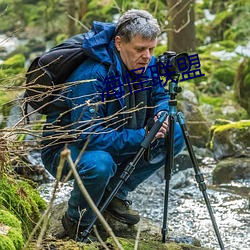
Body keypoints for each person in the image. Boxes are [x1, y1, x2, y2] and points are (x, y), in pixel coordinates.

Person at [41, 9, 185, 241]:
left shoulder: (147, 63)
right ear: (119, 43)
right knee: (100, 164)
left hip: (117, 135)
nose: (147, 56)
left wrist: (162, 113)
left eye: (152, 49)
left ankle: (115, 193)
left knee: (175, 132)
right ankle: (76, 221)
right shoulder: (91, 75)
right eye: (140, 49)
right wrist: (142, 135)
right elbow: (87, 136)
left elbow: (160, 95)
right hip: (67, 150)